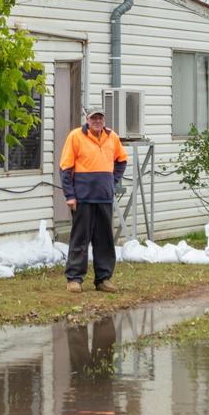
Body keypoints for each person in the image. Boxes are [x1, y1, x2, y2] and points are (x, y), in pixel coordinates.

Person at [59, 106, 127, 293]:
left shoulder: (112, 137)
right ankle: (74, 278)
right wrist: (70, 195)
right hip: (82, 198)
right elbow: (65, 168)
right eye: (93, 118)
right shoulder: (75, 136)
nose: (97, 121)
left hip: (104, 197)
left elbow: (121, 160)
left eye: (100, 118)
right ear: (87, 120)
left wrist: (112, 181)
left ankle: (103, 279)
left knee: (104, 240)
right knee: (80, 239)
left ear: (104, 120)